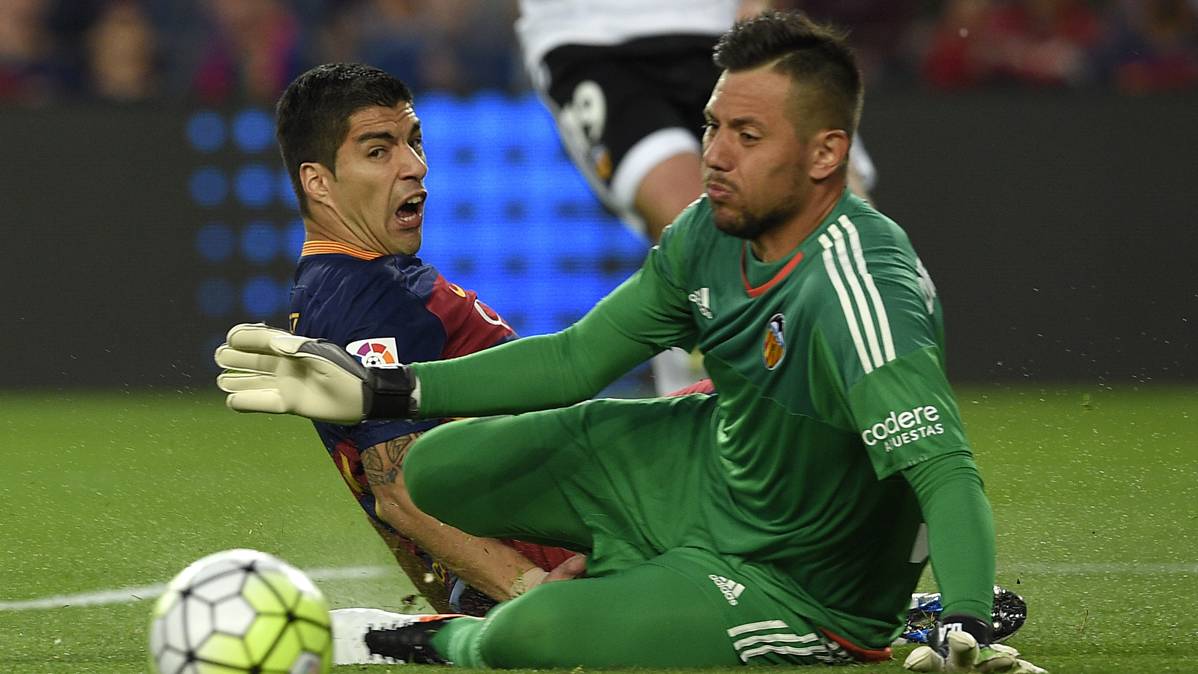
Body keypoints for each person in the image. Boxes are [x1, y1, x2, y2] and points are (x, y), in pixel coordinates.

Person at [216, 12, 1045, 672]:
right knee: (439, 468)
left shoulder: (858, 286)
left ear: (828, 155)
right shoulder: (708, 232)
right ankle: (644, 570)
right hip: (703, 475)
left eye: (745, 138)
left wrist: (967, 616)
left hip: (798, 582)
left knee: (532, 637)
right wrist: (378, 391)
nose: (712, 156)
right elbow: (576, 360)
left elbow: (943, 467)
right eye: (712, 127)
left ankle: (437, 639)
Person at [266, 62, 581, 619]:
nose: (415, 167)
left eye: (413, 142)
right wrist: (534, 593)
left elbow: (379, 488)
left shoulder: (329, 286)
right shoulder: (369, 297)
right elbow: (399, 494)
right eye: (378, 150)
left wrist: (448, 601)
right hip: (592, 536)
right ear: (318, 182)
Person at [516, 0, 876, 393]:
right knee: (702, 234)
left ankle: (875, 399)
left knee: (847, 222)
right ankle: (703, 411)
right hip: (591, 37)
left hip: (727, 30)